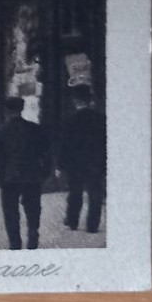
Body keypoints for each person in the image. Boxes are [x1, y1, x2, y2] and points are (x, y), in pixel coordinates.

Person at [0, 95, 52, 249]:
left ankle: (15, 242)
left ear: (7, 110)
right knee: (33, 207)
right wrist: (45, 172)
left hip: (9, 177)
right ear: (21, 109)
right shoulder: (35, 129)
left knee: (10, 211)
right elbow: (46, 152)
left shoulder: (1, 131)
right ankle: (33, 232)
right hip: (32, 175)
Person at [59, 84, 106, 233]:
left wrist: (61, 164)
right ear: (90, 99)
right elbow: (105, 142)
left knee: (75, 192)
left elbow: (63, 144)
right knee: (95, 193)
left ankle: (72, 221)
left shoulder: (69, 120)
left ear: (75, 100)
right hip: (95, 162)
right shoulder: (100, 119)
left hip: (75, 163)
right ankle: (92, 225)